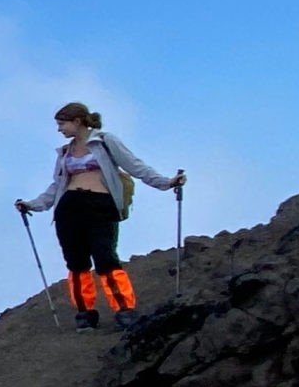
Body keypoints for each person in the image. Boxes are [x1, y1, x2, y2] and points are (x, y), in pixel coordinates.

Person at [16, 102, 184, 331]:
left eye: (62, 123)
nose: (59, 129)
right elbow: (57, 186)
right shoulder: (65, 152)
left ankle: (124, 309)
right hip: (69, 208)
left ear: (77, 121)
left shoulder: (104, 141)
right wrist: (32, 205)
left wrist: (166, 183)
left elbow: (135, 166)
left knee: (105, 257)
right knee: (76, 262)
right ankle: (85, 313)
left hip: (100, 205)